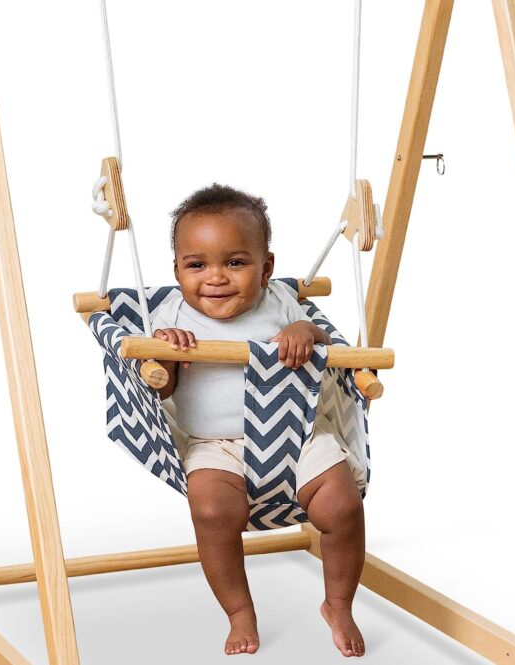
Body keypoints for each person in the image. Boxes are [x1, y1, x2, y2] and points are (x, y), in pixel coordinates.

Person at [149, 183, 367, 657]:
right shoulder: (171, 315)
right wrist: (164, 354)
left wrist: (304, 331)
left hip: (296, 435)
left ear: (266, 268)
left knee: (343, 506)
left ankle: (338, 604)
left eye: (235, 262)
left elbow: (318, 331)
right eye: (196, 265)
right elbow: (159, 389)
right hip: (214, 444)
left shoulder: (280, 300)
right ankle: (239, 611)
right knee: (210, 512)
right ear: (177, 271)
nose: (215, 278)